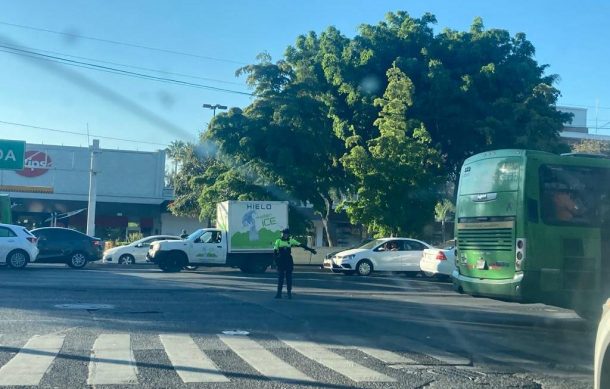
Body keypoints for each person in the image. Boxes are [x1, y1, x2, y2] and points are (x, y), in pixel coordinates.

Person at [273, 228, 316, 299]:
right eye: (283, 233)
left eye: (286, 233)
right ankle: (278, 293)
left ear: (288, 234)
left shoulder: (291, 240)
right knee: (280, 278)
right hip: (281, 260)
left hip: (288, 260)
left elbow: (300, 244)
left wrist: (310, 249)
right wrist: (275, 261)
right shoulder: (278, 241)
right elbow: (275, 251)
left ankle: (289, 293)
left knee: (288, 277)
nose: (284, 234)